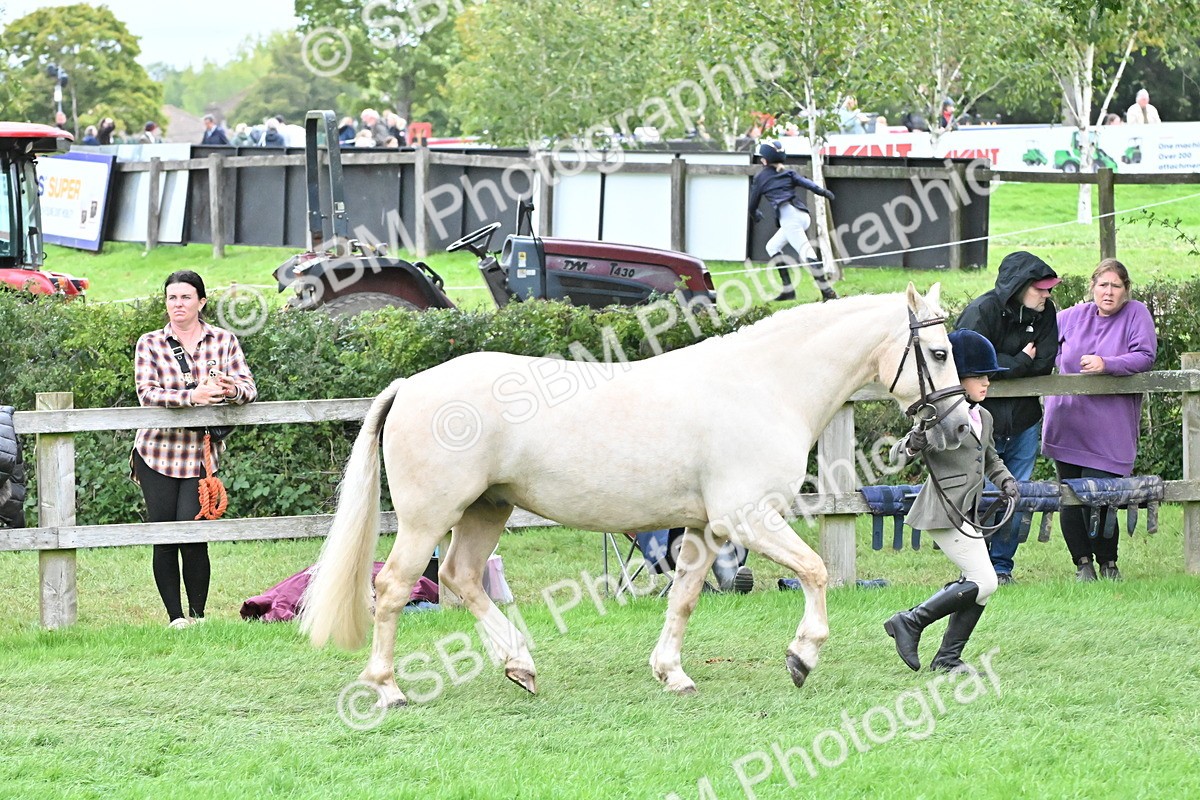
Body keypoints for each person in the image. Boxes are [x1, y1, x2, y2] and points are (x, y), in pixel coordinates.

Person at [884, 330, 1019, 672]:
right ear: (959, 379)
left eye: (988, 377)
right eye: (979, 376)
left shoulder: (983, 417)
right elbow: (897, 456)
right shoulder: (940, 417)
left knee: (980, 586)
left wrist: (1006, 481)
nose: (987, 383)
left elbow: (989, 458)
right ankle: (910, 621)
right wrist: (913, 443)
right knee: (985, 580)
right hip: (942, 510)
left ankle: (947, 658)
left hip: (968, 513)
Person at [133, 271, 257, 628]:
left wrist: (230, 390)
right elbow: (147, 394)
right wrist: (192, 396)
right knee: (164, 537)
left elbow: (249, 388)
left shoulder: (224, 340)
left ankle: (198, 616)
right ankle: (176, 618)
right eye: (172, 297)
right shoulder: (150, 343)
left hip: (201, 455)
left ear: (201, 301)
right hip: (156, 452)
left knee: (194, 536)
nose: (178, 304)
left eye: (186, 297)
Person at [1042, 259, 1156, 582]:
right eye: (1103, 285)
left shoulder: (1136, 314)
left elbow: (1145, 356)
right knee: (1071, 497)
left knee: (1101, 497)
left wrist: (1107, 364)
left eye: (1115, 286)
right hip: (1067, 424)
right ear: (1092, 286)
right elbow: (1044, 346)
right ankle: (1082, 564)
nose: (1108, 292)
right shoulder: (1071, 317)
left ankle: (1108, 562)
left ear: (1126, 289)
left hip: (1110, 429)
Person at [955, 251, 1061, 584]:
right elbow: (967, 363)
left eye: (1049, 289)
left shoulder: (1045, 313)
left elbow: (1044, 362)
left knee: (1016, 493)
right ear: (1019, 286)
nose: (1047, 295)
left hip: (1024, 421)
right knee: (978, 494)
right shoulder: (981, 311)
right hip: (980, 422)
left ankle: (1002, 567)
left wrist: (1003, 363)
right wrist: (1019, 361)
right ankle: (975, 566)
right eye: (1040, 289)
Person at [747, 140, 838, 302]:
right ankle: (788, 290)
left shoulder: (761, 177)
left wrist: (755, 214)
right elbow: (808, 184)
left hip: (790, 220)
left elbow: (752, 204)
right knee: (772, 247)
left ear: (765, 161)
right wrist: (824, 192)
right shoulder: (788, 172)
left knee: (807, 253)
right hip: (803, 216)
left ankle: (828, 292)